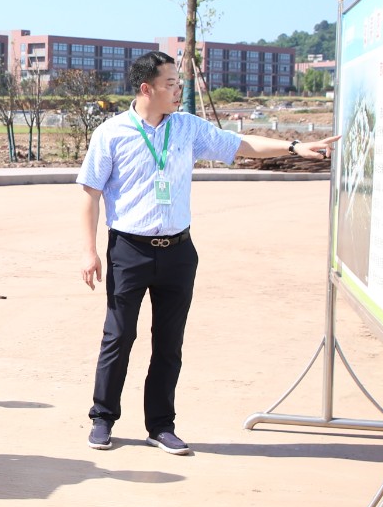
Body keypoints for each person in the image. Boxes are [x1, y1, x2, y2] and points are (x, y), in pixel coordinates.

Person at [78, 51, 335, 454]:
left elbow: (241, 144)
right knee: (119, 336)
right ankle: (103, 418)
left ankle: (161, 426)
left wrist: (294, 145)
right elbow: (90, 194)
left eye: (179, 83)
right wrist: (89, 251)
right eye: (170, 84)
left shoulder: (188, 128)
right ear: (146, 89)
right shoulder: (111, 134)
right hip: (128, 250)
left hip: (178, 252)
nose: (178, 91)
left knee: (169, 343)